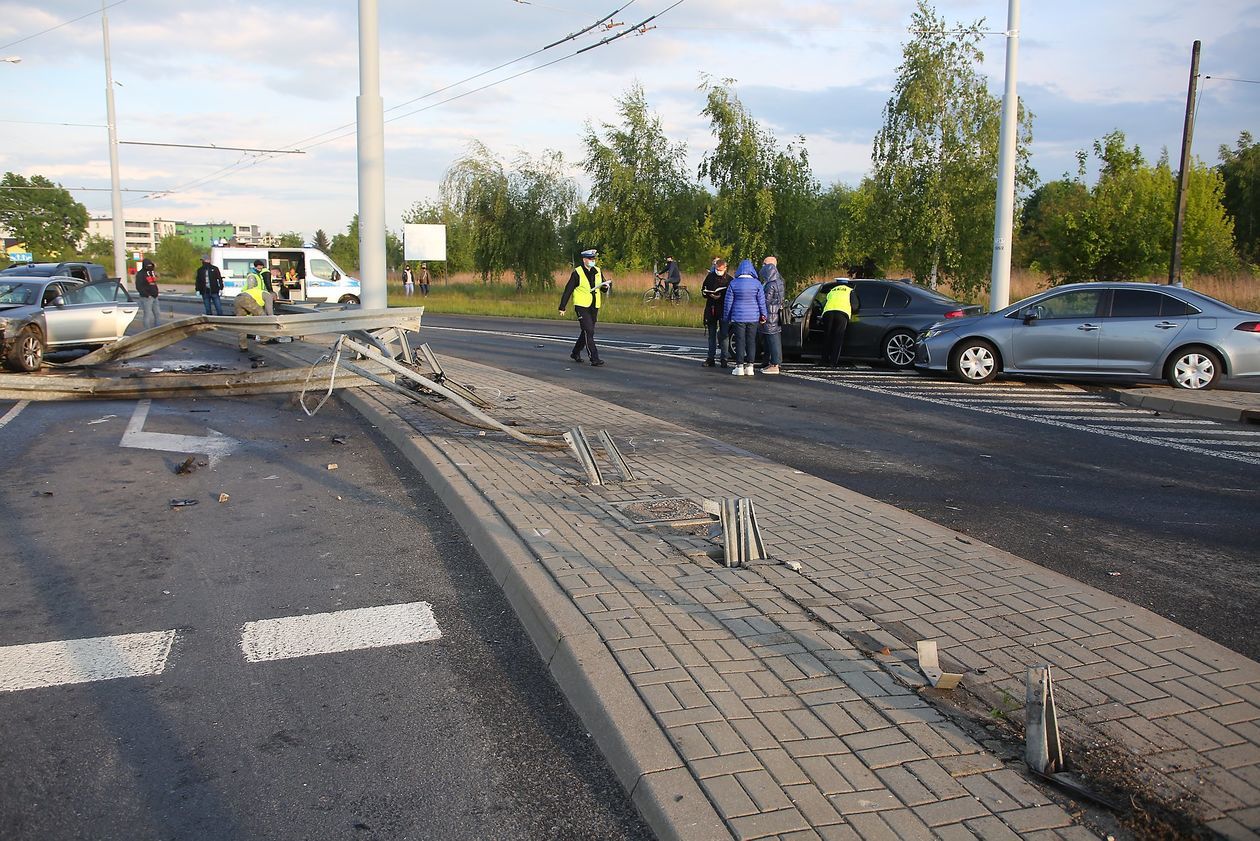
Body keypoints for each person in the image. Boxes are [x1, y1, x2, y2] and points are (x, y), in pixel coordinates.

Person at [558, 248, 609, 367]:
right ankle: (594, 358)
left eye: (594, 259)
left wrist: (605, 287)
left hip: (594, 305)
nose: (593, 261)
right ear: (584, 260)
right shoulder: (577, 272)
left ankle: (575, 352)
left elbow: (602, 286)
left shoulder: (597, 271)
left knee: (586, 331)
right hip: (581, 306)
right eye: (590, 259)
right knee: (589, 331)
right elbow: (568, 290)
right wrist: (562, 306)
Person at [722, 258, 767, 376]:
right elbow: (761, 301)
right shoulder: (757, 284)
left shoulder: (734, 283)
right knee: (751, 341)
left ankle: (739, 366)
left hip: (738, 317)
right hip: (753, 317)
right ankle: (750, 366)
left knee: (740, 341)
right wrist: (763, 315)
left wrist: (726, 317)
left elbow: (728, 302)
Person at [701, 258, 730, 368]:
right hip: (711, 308)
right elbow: (703, 290)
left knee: (724, 335)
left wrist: (720, 296)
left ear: (725, 268)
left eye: (721, 269)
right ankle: (710, 358)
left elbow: (731, 296)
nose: (719, 271)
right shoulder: (710, 277)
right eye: (717, 269)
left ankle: (724, 359)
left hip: (723, 309)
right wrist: (708, 294)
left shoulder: (729, 280)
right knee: (711, 335)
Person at [758, 256, 785, 375]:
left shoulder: (770, 284)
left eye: (764, 264)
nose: (762, 266)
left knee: (772, 339)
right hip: (775, 313)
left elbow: (765, 300)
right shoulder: (779, 280)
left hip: (770, 314)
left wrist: (761, 313)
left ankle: (775, 364)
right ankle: (774, 362)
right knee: (774, 339)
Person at [821, 279, 856, 367]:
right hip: (841, 314)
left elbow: (825, 302)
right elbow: (855, 306)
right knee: (838, 338)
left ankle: (824, 360)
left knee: (827, 337)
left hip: (828, 313)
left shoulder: (832, 290)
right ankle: (833, 362)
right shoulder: (850, 290)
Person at [233, 287, 266, 352]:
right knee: (262, 317)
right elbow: (269, 311)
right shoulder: (268, 296)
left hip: (237, 298)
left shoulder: (260, 292)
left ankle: (243, 346)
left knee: (241, 323)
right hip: (246, 298)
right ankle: (265, 339)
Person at [134, 258, 160, 330]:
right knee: (147, 315)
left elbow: (154, 283)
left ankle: (158, 330)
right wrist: (146, 294)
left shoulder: (152, 273)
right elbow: (138, 286)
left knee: (157, 314)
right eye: (148, 265)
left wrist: (156, 293)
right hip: (146, 297)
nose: (149, 266)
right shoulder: (140, 274)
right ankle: (147, 331)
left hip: (155, 296)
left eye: (150, 265)